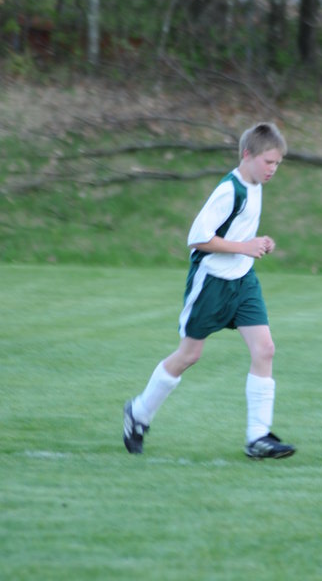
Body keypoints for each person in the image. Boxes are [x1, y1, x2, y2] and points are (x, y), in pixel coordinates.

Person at [123, 122, 296, 459]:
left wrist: (258, 243)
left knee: (265, 350)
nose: (273, 169)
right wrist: (244, 247)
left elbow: (238, 233)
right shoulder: (229, 191)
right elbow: (198, 238)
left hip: (243, 281)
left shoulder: (256, 184)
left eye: (277, 163)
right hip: (211, 283)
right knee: (189, 355)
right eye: (268, 162)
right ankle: (138, 413)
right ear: (247, 155)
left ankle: (258, 437)